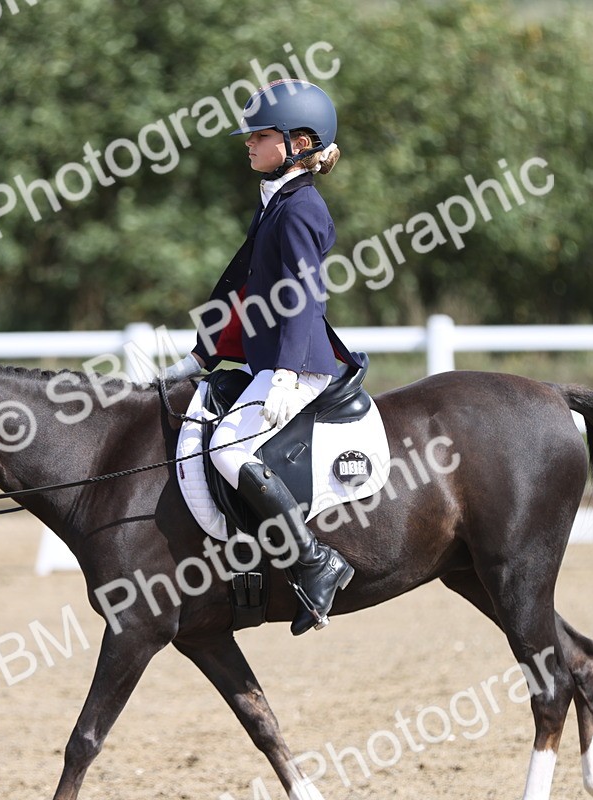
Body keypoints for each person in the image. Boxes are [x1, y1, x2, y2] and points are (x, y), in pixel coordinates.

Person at [162, 79, 364, 635]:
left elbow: (303, 296)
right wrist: (202, 356)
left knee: (229, 449)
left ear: (299, 143)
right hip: (266, 361)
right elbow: (244, 290)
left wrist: (285, 374)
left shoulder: (300, 209)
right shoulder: (277, 199)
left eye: (260, 135)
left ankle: (315, 561)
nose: (248, 143)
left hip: (297, 365)